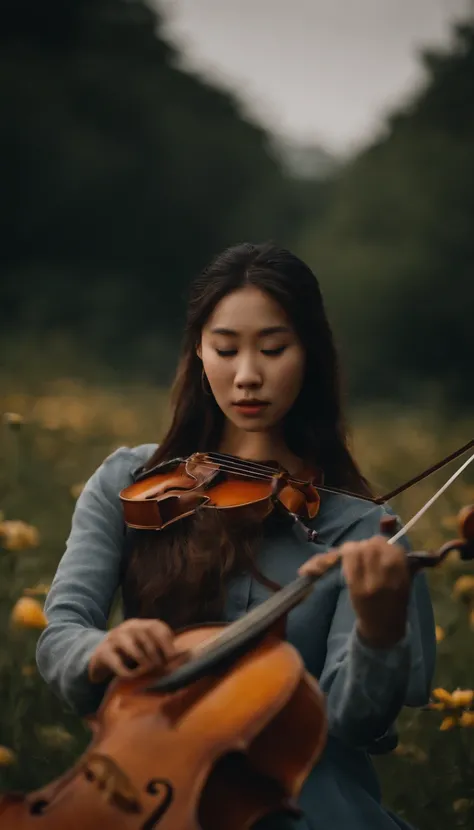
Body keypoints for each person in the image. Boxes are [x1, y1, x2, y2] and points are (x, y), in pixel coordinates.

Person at [36, 242, 436, 830]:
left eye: (274, 349)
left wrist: (379, 632)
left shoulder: (360, 529)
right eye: (225, 349)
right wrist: (101, 651)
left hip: (305, 805)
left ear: (310, 357)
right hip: (149, 790)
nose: (247, 376)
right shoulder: (131, 484)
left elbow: (357, 725)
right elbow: (61, 630)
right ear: (199, 351)